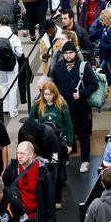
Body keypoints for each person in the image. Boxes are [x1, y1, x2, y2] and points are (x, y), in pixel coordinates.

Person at [50, 41, 100, 173]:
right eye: (65, 53)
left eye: (71, 52)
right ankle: (65, 157)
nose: (68, 55)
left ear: (75, 53)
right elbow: (52, 85)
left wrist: (82, 94)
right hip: (63, 107)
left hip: (80, 106)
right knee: (64, 133)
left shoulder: (83, 66)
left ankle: (85, 160)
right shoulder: (58, 67)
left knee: (83, 134)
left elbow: (94, 84)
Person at [28, 80, 73, 208]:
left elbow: (68, 125)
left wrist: (69, 143)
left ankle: (57, 199)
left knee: (58, 170)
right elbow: (30, 124)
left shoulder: (62, 105)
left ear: (54, 93)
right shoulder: (37, 105)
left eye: (50, 94)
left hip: (59, 142)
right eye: (45, 94)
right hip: (43, 143)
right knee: (43, 169)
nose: (47, 97)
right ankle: (43, 196)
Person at [0, 15, 24, 118]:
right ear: (9, 24)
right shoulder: (13, 37)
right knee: (13, 87)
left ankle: (4, 107)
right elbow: (19, 53)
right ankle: (12, 111)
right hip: (12, 64)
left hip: (0, 64)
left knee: (2, 84)